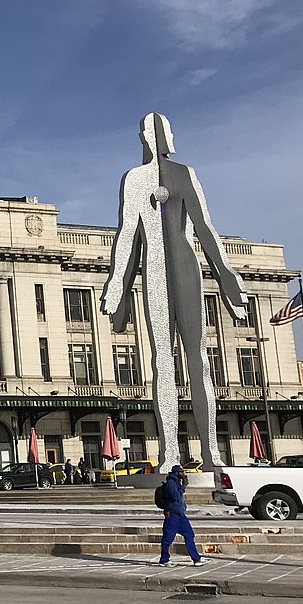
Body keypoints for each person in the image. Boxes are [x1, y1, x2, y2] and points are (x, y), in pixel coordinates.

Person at [102, 113, 248, 472]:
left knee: (197, 358)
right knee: (161, 361)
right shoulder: (134, 180)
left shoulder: (184, 173)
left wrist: (227, 277)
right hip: (154, 269)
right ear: (147, 137)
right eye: (161, 132)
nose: (165, 137)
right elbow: (126, 234)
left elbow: (205, 228)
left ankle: (211, 451)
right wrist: (116, 282)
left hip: (185, 266)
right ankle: (170, 452)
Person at [158, 465, 203, 567]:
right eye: (182, 472)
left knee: (189, 534)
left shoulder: (177, 482)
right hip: (172, 515)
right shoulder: (171, 483)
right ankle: (164, 559)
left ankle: (196, 558)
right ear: (177, 473)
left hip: (180, 515)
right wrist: (183, 487)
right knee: (168, 538)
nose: (184, 474)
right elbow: (175, 497)